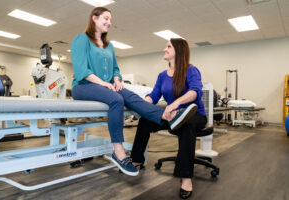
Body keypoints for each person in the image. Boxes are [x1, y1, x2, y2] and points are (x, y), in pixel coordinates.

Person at [70, 7, 197, 177]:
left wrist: (116, 80)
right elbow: (80, 70)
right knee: (117, 100)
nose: (109, 22)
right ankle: (118, 151)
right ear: (94, 18)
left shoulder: (109, 46)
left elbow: (115, 69)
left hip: (106, 86)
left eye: (110, 20)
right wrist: (104, 84)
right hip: (83, 86)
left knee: (130, 95)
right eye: (106, 18)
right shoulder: (81, 39)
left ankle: (168, 116)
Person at [130, 38, 207, 199]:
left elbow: (195, 92)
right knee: (145, 121)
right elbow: (154, 96)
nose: (164, 49)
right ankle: (137, 160)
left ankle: (185, 177)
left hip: (194, 115)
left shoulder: (191, 70)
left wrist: (175, 104)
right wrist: (142, 105)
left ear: (179, 50)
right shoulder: (162, 75)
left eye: (168, 46)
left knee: (186, 125)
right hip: (173, 116)